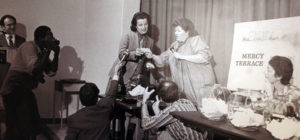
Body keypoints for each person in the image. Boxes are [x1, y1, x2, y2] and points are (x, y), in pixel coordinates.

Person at [0, 25, 60, 140]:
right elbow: (33, 69)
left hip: (24, 90)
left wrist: (56, 54)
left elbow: (51, 72)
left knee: (31, 122)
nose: (52, 37)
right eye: (49, 35)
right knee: (21, 125)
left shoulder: (41, 51)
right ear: (40, 38)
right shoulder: (28, 46)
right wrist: (48, 51)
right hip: (13, 89)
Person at [145, 18, 216, 105]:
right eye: (175, 31)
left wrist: (182, 57)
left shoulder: (196, 40)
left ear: (188, 31)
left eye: (179, 31)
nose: (175, 33)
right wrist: (152, 55)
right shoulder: (175, 45)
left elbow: (204, 57)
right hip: (183, 91)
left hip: (198, 89)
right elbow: (162, 60)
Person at [107, 12, 162, 94]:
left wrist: (148, 64)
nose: (143, 27)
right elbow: (121, 54)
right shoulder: (127, 36)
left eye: (145, 24)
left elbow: (147, 60)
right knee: (111, 100)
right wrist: (134, 53)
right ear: (135, 26)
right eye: (140, 25)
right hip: (121, 74)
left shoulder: (150, 41)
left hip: (135, 79)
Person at [65, 62, 122, 140]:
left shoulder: (74, 119)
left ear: (81, 99)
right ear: (96, 98)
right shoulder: (105, 108)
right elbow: (111, 93)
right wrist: (116, 72)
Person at [142, 80, 206, 140]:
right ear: (178, 93)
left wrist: (144, 101)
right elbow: (165, 120)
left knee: (159, 134)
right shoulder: (187, 101)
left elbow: (145, 125)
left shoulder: (172, 111)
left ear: (160, 98)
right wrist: (157, 110)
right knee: (161, 133)